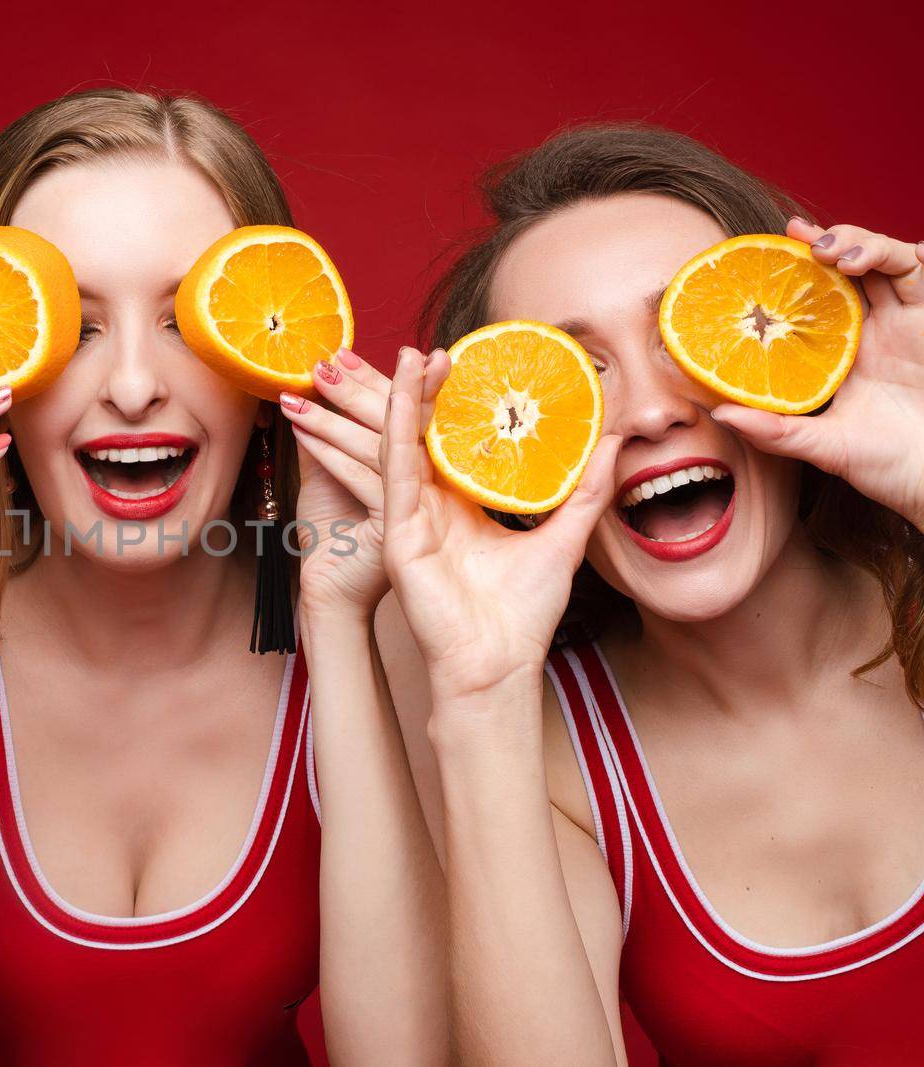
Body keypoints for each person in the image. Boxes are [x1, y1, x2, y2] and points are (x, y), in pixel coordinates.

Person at [0, 88, 446, 1065]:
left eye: (189, 321)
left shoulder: (393, 604)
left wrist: (341, 622)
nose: (135, 385)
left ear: (272, 362)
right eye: (78, 324)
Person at [381, 123, 924, 1064]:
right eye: (577, 373)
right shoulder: (556, 763)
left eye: (687, 332)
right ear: (514, 451)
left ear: (799, 351)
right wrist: (476, 695)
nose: (649, 410)